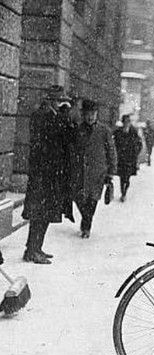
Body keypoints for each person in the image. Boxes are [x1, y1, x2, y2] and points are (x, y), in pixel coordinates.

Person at [22, 85, 75, 264]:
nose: (62, 103)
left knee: (44, 213)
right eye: (60, 100)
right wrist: (62, 117)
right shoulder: (42, 116)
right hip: (43, 173)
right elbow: (47, 141)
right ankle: (32, 250)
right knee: (39, 213)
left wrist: (64, 117)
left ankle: (35, 248)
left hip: (50, 174)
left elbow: (67, 137)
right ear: (52, 100)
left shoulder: (54, 116)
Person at [70, 100, 117, 238]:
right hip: (80, 172)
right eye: (88, 114)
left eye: (93, 114)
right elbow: (71, 150)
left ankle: (86, 227)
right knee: (79, 199)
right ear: (83, 114)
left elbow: (111, 151)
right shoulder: (77, 130)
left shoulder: (104, 130)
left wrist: (111, 172)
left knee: (92, 200)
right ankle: (86, 221)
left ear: (97, 114)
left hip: (98, 173)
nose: (90, 117)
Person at [113, 115, 142, 202]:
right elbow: (113, 144)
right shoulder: (117, 132)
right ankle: (123, 193)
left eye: (128, 122)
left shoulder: (133, 132)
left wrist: (136, 152)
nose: (126, 124)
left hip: (130, 158)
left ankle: (125, 191)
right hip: (121, 158)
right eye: (125, 122)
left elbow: (139, 144)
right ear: (123, 123)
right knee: (122, 177)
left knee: (127, 177)